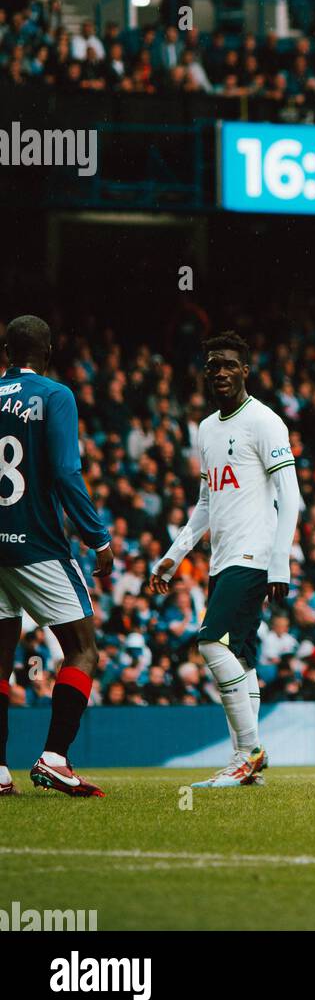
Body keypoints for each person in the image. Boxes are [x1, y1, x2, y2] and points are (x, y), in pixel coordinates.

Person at [149, 331, 301, 787]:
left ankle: (247, 752)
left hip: (253, 556)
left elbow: (290, 496)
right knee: (242, 659)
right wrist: (174, 556)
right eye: (213, 365)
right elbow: (205, 502)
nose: (220, 372)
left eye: (230, 364)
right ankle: (248, 767)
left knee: (211, 643)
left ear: (245, 371)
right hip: (223, 558)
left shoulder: (265, 422)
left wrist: (279, 562)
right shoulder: (206, 429)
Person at [0, 315, 114, 796]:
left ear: (8, 353)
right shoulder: (54, 395)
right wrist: (97, 537)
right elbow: (67, 471)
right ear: (47, 353)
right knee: (82, 649)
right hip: (38, 543)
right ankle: (54, 758)